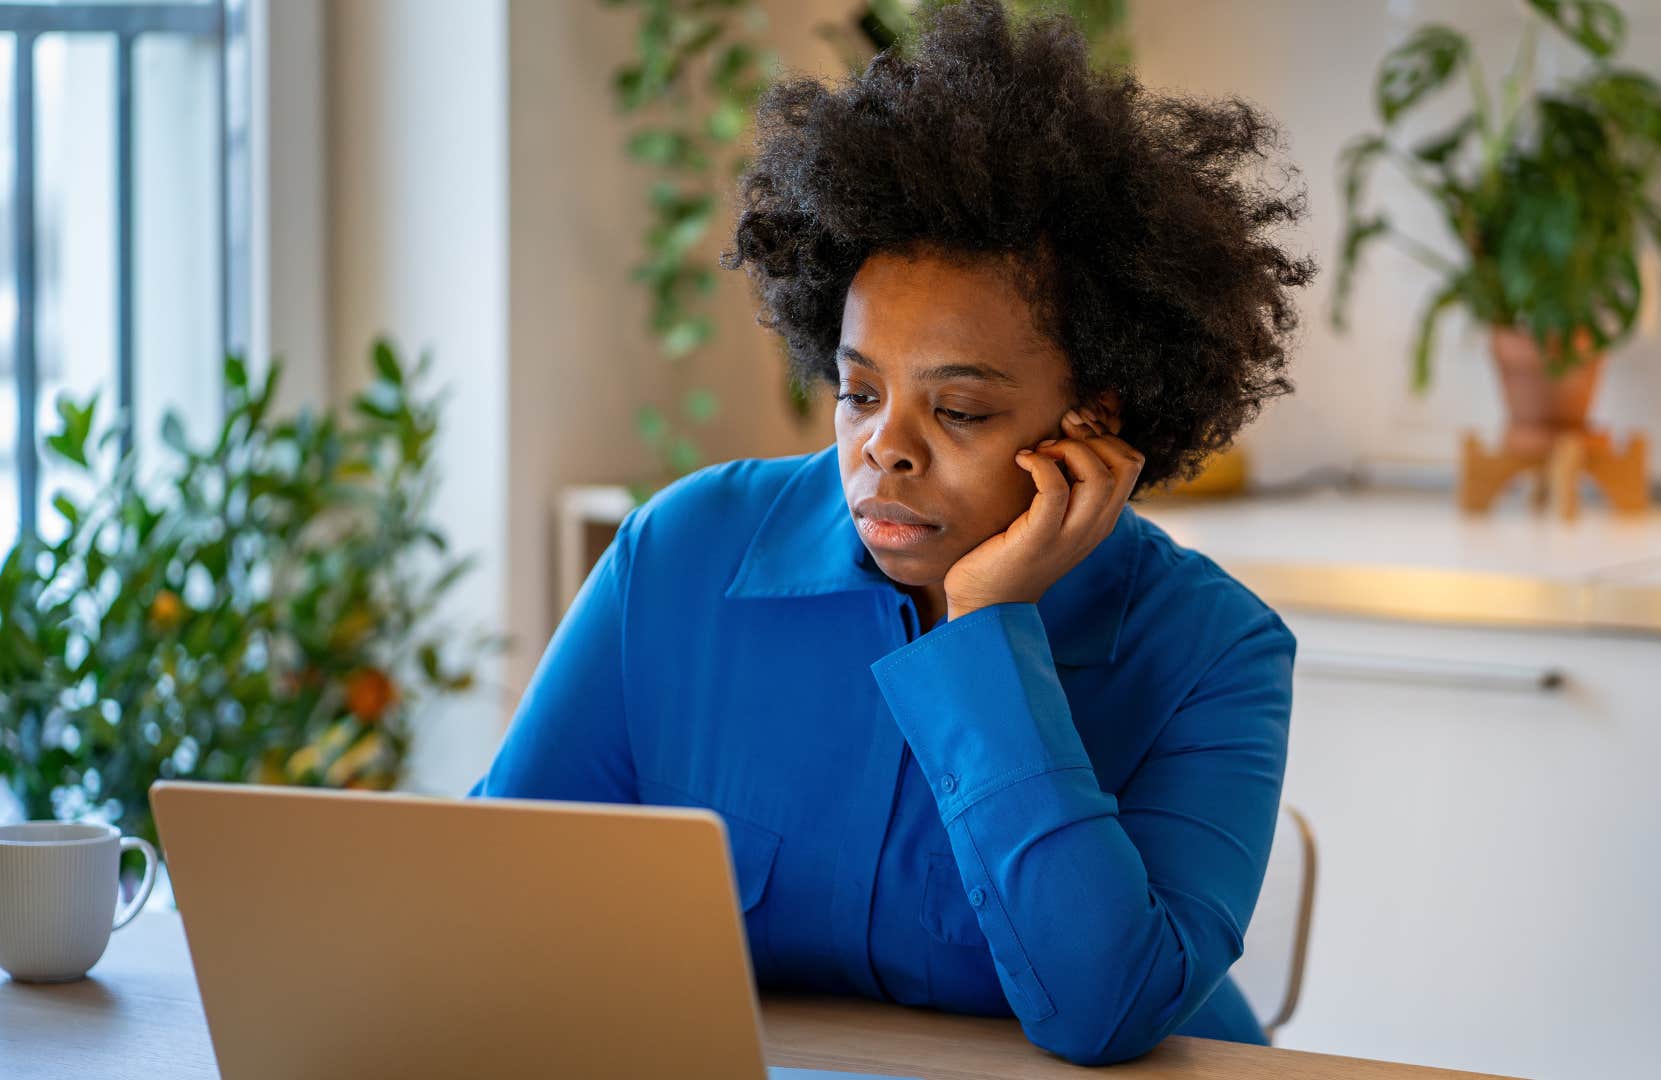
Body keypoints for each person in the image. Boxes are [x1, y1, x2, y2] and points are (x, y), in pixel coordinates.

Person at [468, 0, 1314, 1065]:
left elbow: (1107, 1012)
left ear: (1096, 417)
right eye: (860, 393)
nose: (885, 450)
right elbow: (498, 909)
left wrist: (986, 630)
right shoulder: (681, 556)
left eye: (958, 411)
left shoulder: (1214, 654)